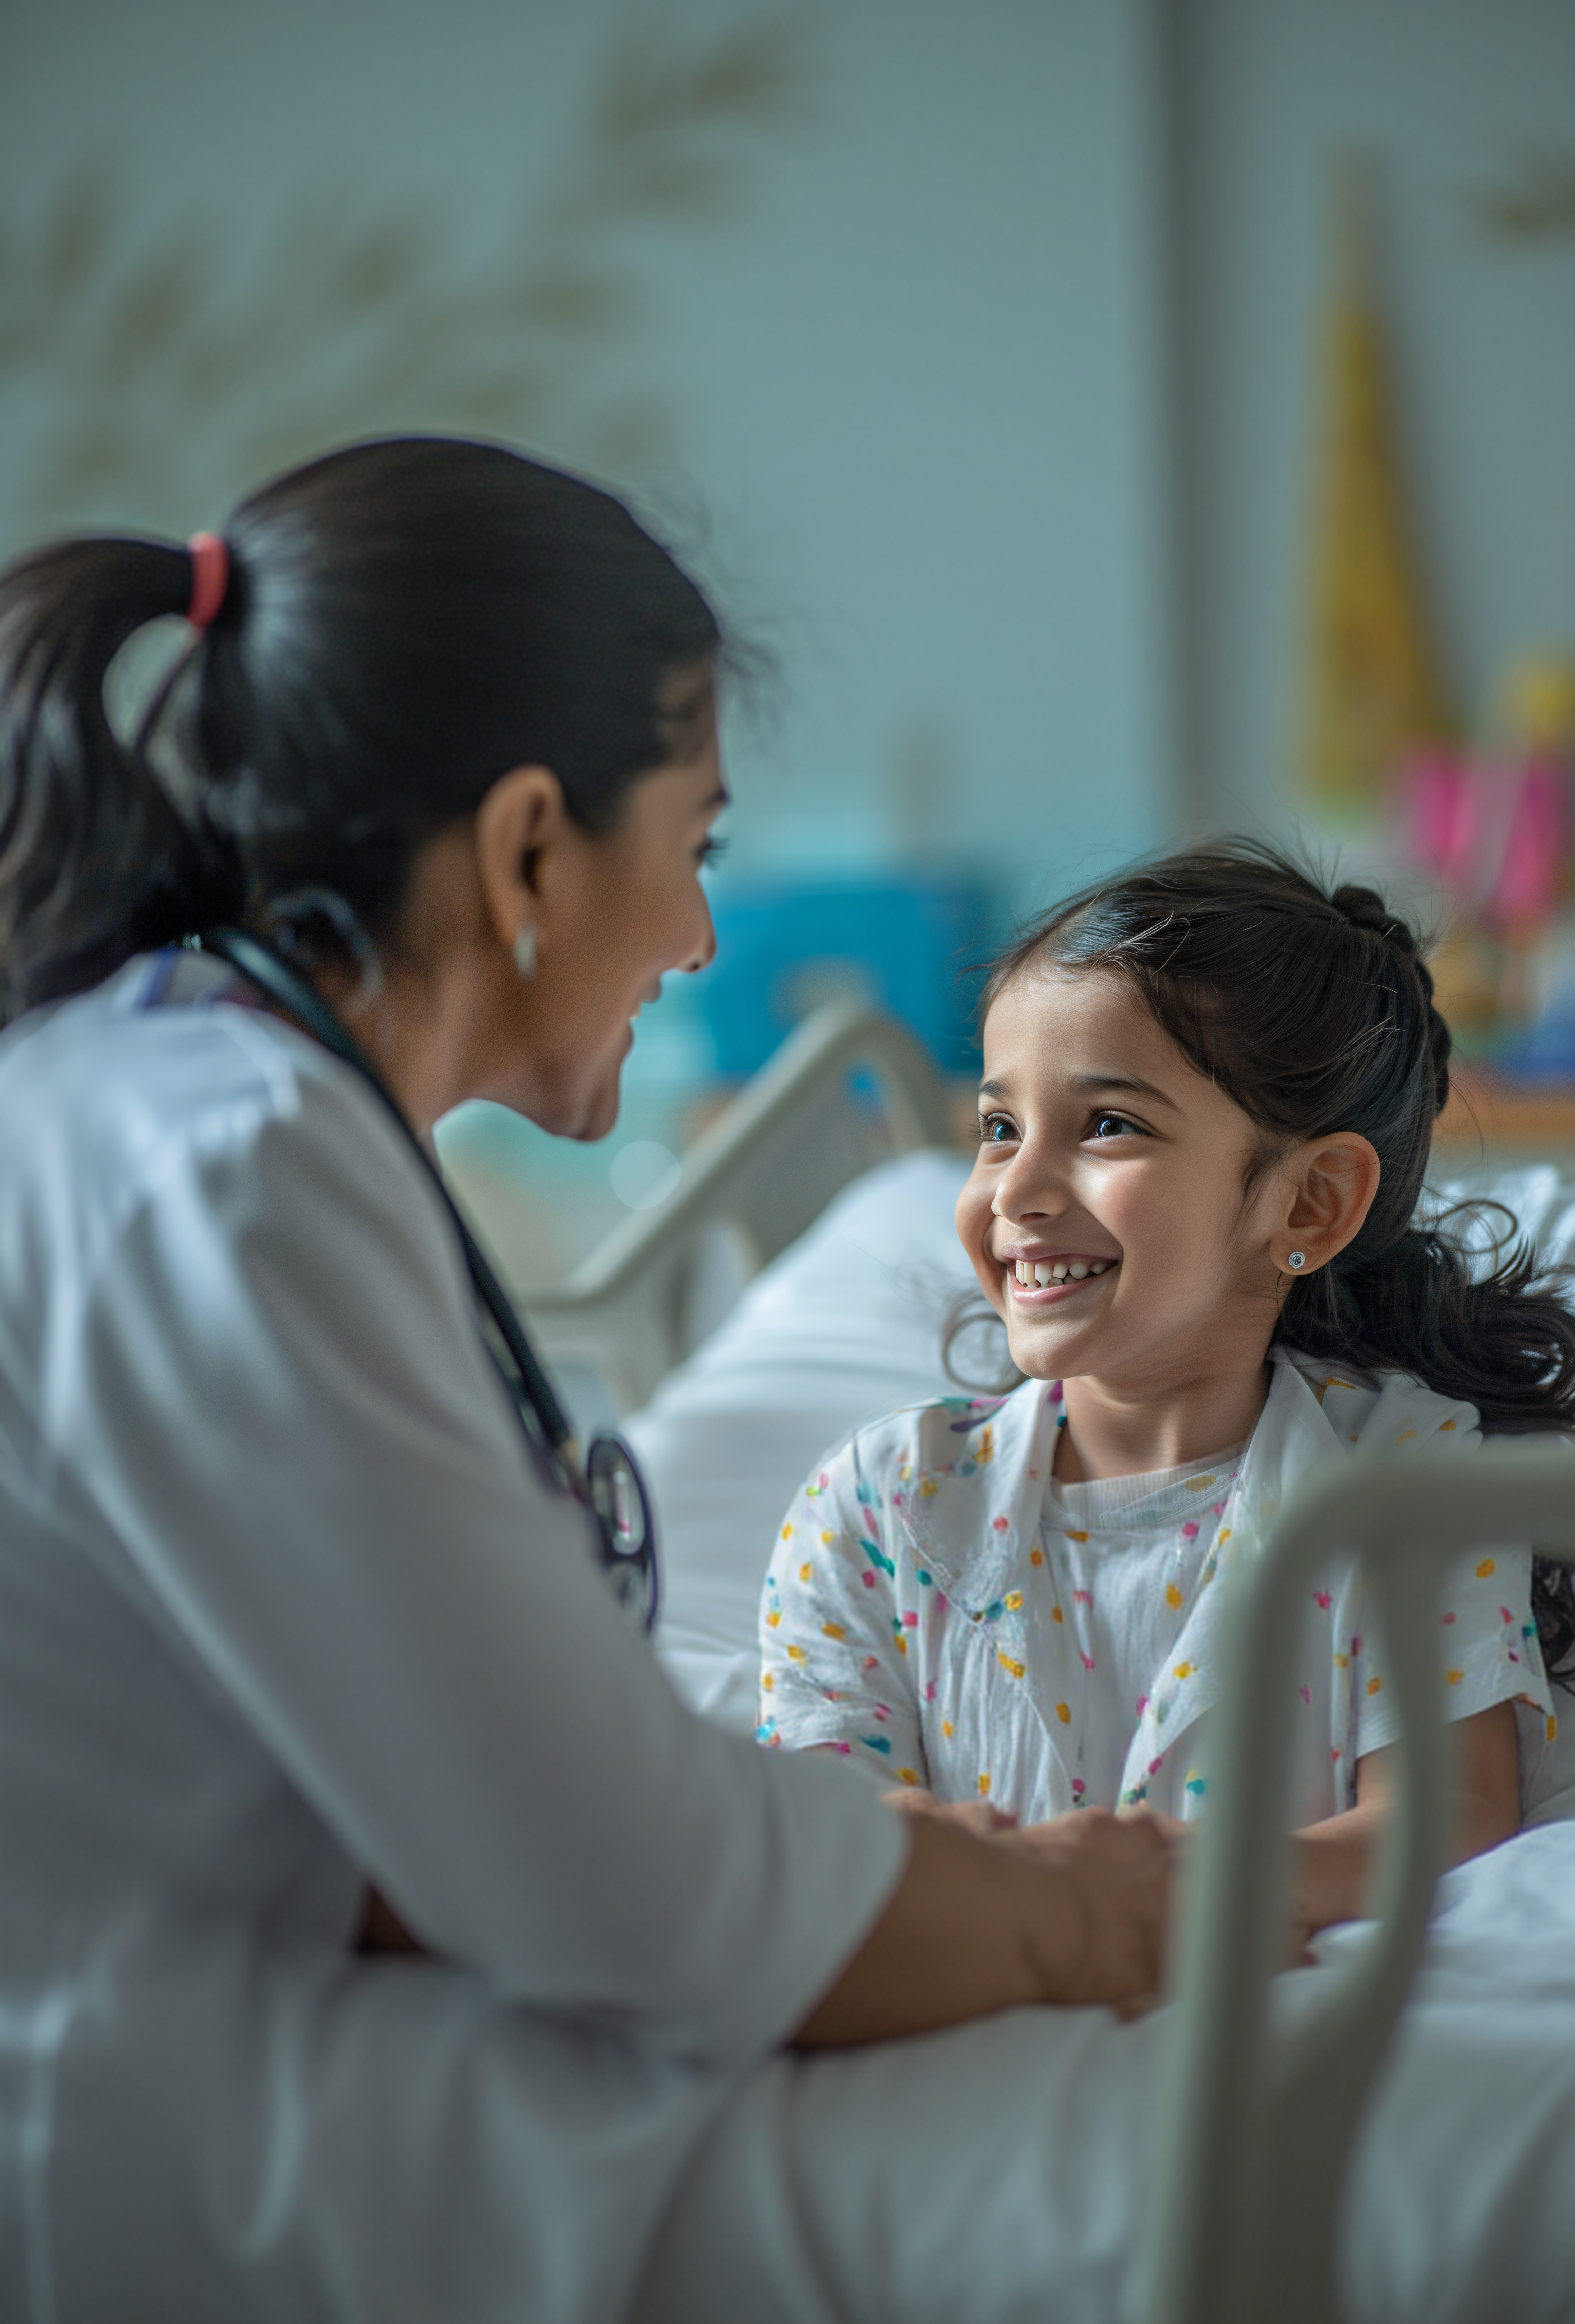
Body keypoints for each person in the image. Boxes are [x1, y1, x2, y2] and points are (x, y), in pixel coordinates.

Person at [0, 436, 1180, 2324]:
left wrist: (895, 1852)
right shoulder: (226, 1179)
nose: (703, 935)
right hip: (118, 2152)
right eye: (694, 845)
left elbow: (445, 1786)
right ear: (530, 844)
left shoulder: (201, 1112)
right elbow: (614, 1886)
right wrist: (1069, 1912)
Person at [758, 845, 1575, 1958]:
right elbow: (829, 1852)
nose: (1015, 1189)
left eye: (1108, 1123)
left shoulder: (1403, 1488)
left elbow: (1447, 1813)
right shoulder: (879, 1513)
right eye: (998, 1127)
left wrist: (1176, 1894)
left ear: (1308, 1202)